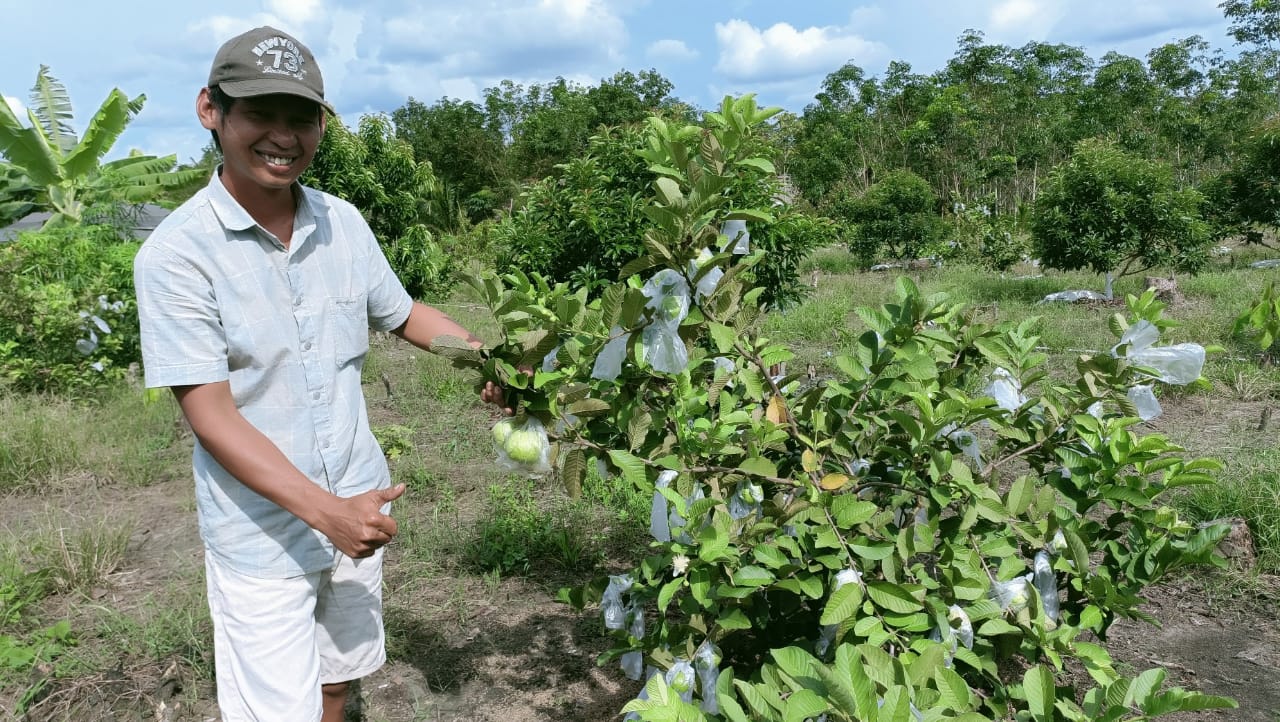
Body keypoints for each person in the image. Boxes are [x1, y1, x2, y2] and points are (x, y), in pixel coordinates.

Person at [134, 26, 506, 721]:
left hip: (358, 499)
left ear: (321, 125)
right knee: (280, 709)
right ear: (211, 111)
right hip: (263, 528)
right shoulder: (176, 255)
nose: (283, 135)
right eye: (259, 114)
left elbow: (403, 315)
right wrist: (323, 511)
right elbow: (209, 414)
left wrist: (491, 359)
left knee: (335, 682)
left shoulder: (343, 222)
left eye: (301, 117)